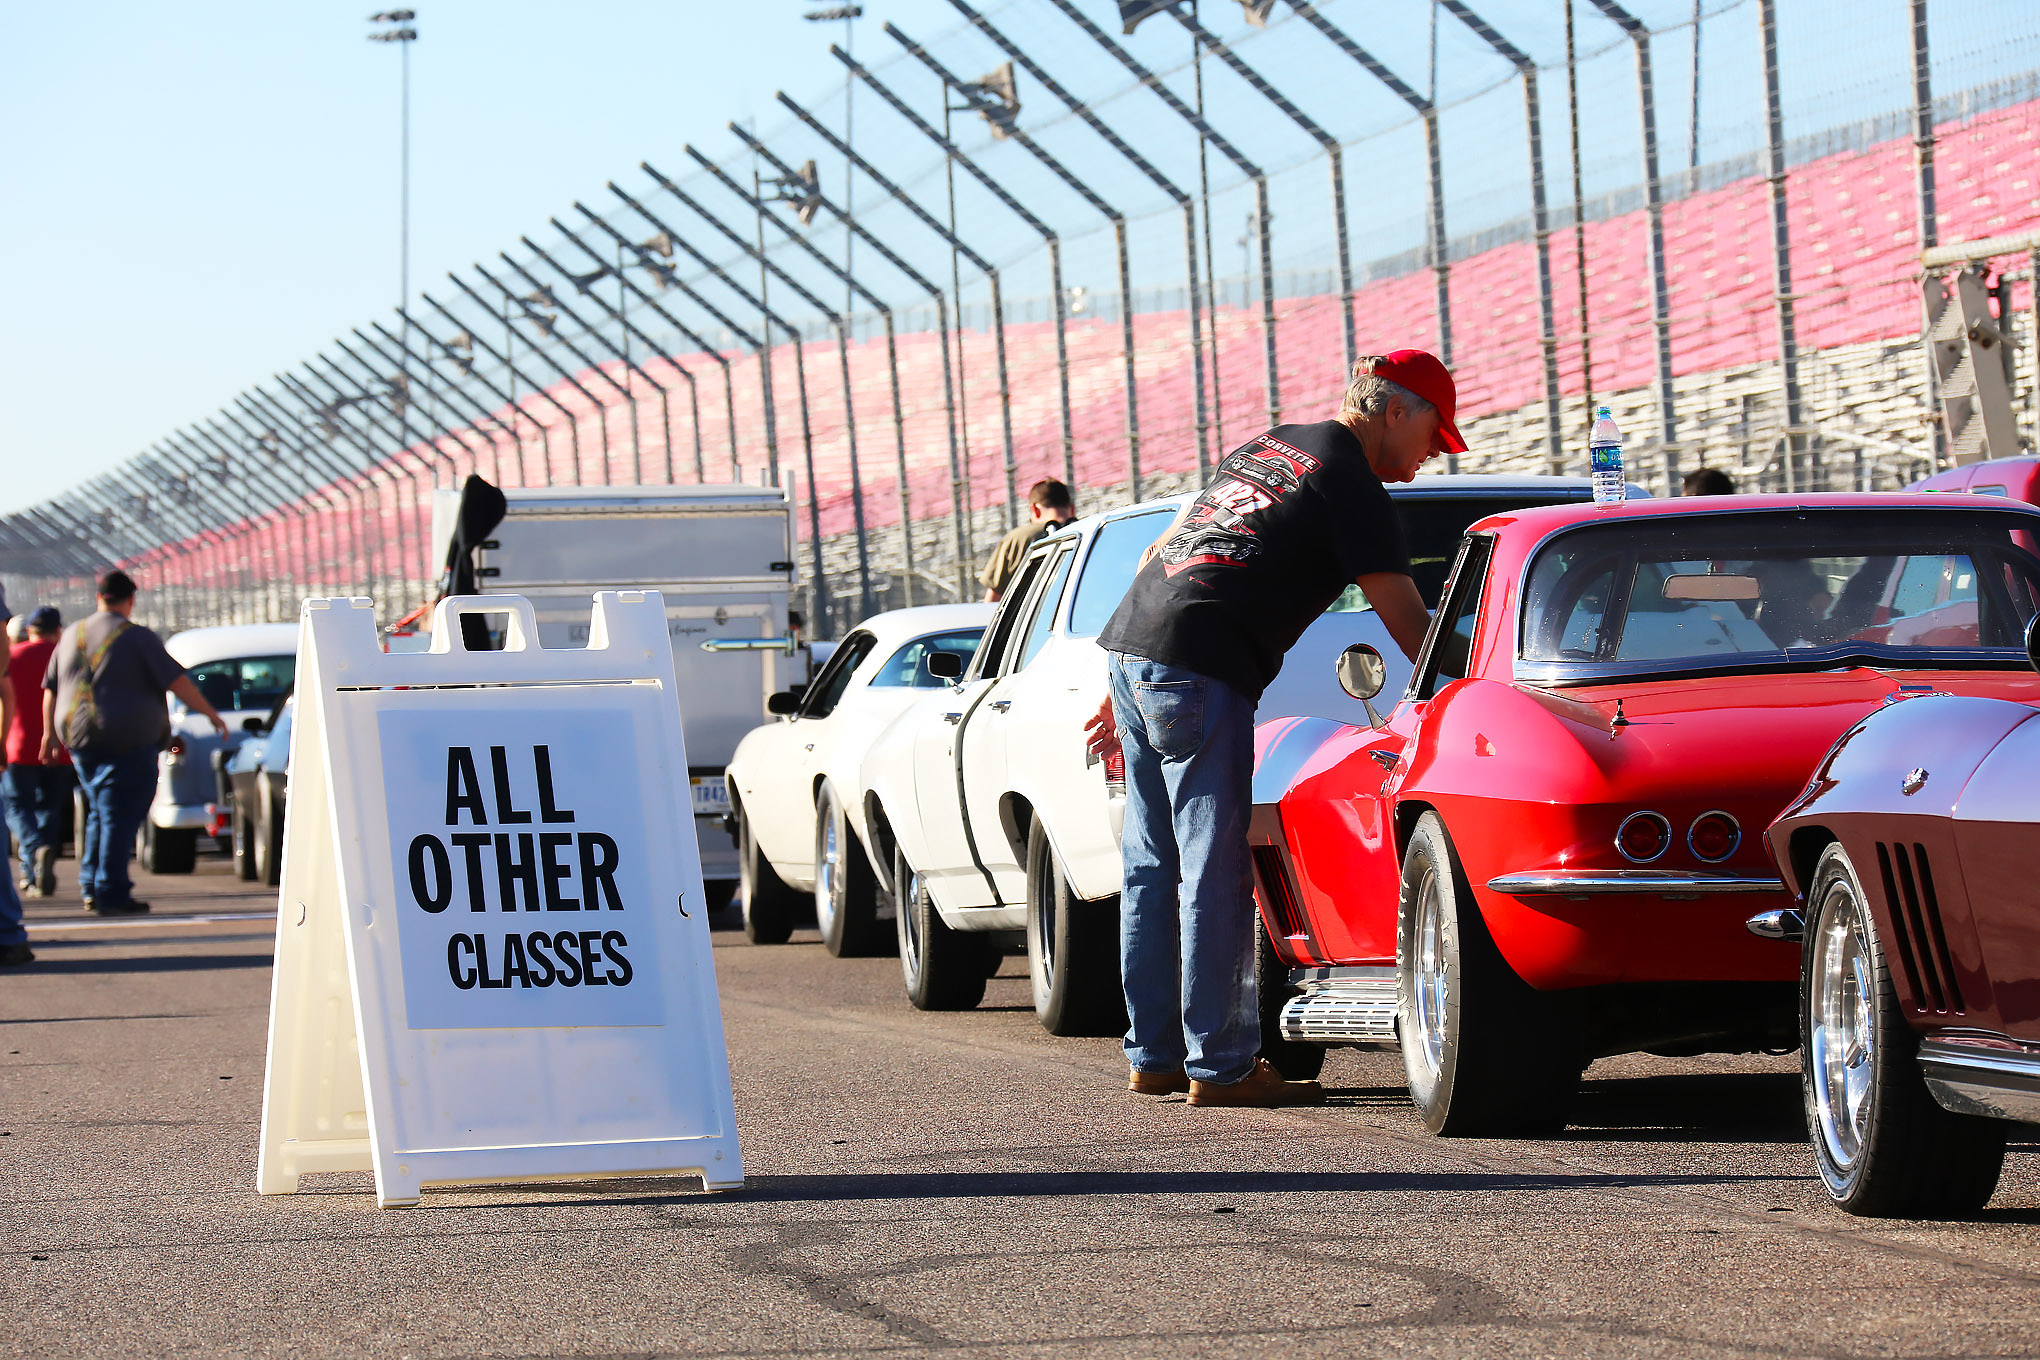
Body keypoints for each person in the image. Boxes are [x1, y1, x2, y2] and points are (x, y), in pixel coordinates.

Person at [1084, 351, 1460, 1108]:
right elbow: (1408, 623)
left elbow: (1166, 547)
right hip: (1201, 666)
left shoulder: (1271, 445)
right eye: (1432, 433)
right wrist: (1468, 692)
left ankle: (1154, 1056)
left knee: (1152, 868)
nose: (1429, 456)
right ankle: (1221, 1067)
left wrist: (1114, 684)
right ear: (1396, 411)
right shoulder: (1351, 484)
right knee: (1216, 869)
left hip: (1136, 652)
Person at [41, 571, 227, 916]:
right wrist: (212, 715)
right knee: (118, 814)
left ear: (98, 597)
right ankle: (111, 892)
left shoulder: (71, 635)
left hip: (79, 739)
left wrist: (48, 735)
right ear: (130, 600)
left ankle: (92, 885)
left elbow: (50, 689)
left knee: (100, 810)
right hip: (127, 740)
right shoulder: (137, 637)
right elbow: (178, 683)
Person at [5, 607, 72, 898]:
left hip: (17, 747)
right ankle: (37, 866)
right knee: (49, 809)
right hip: (60, 748)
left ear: (29, 629)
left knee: (17, 807)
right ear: (59, 630)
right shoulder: (67, 659)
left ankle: (33, 852)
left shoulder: (12, 657)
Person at [980, 479, 1076, 603]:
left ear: (1035, 509)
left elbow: (992, 600)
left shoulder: (1017, 539)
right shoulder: (1093, 532)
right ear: (1071, 508)